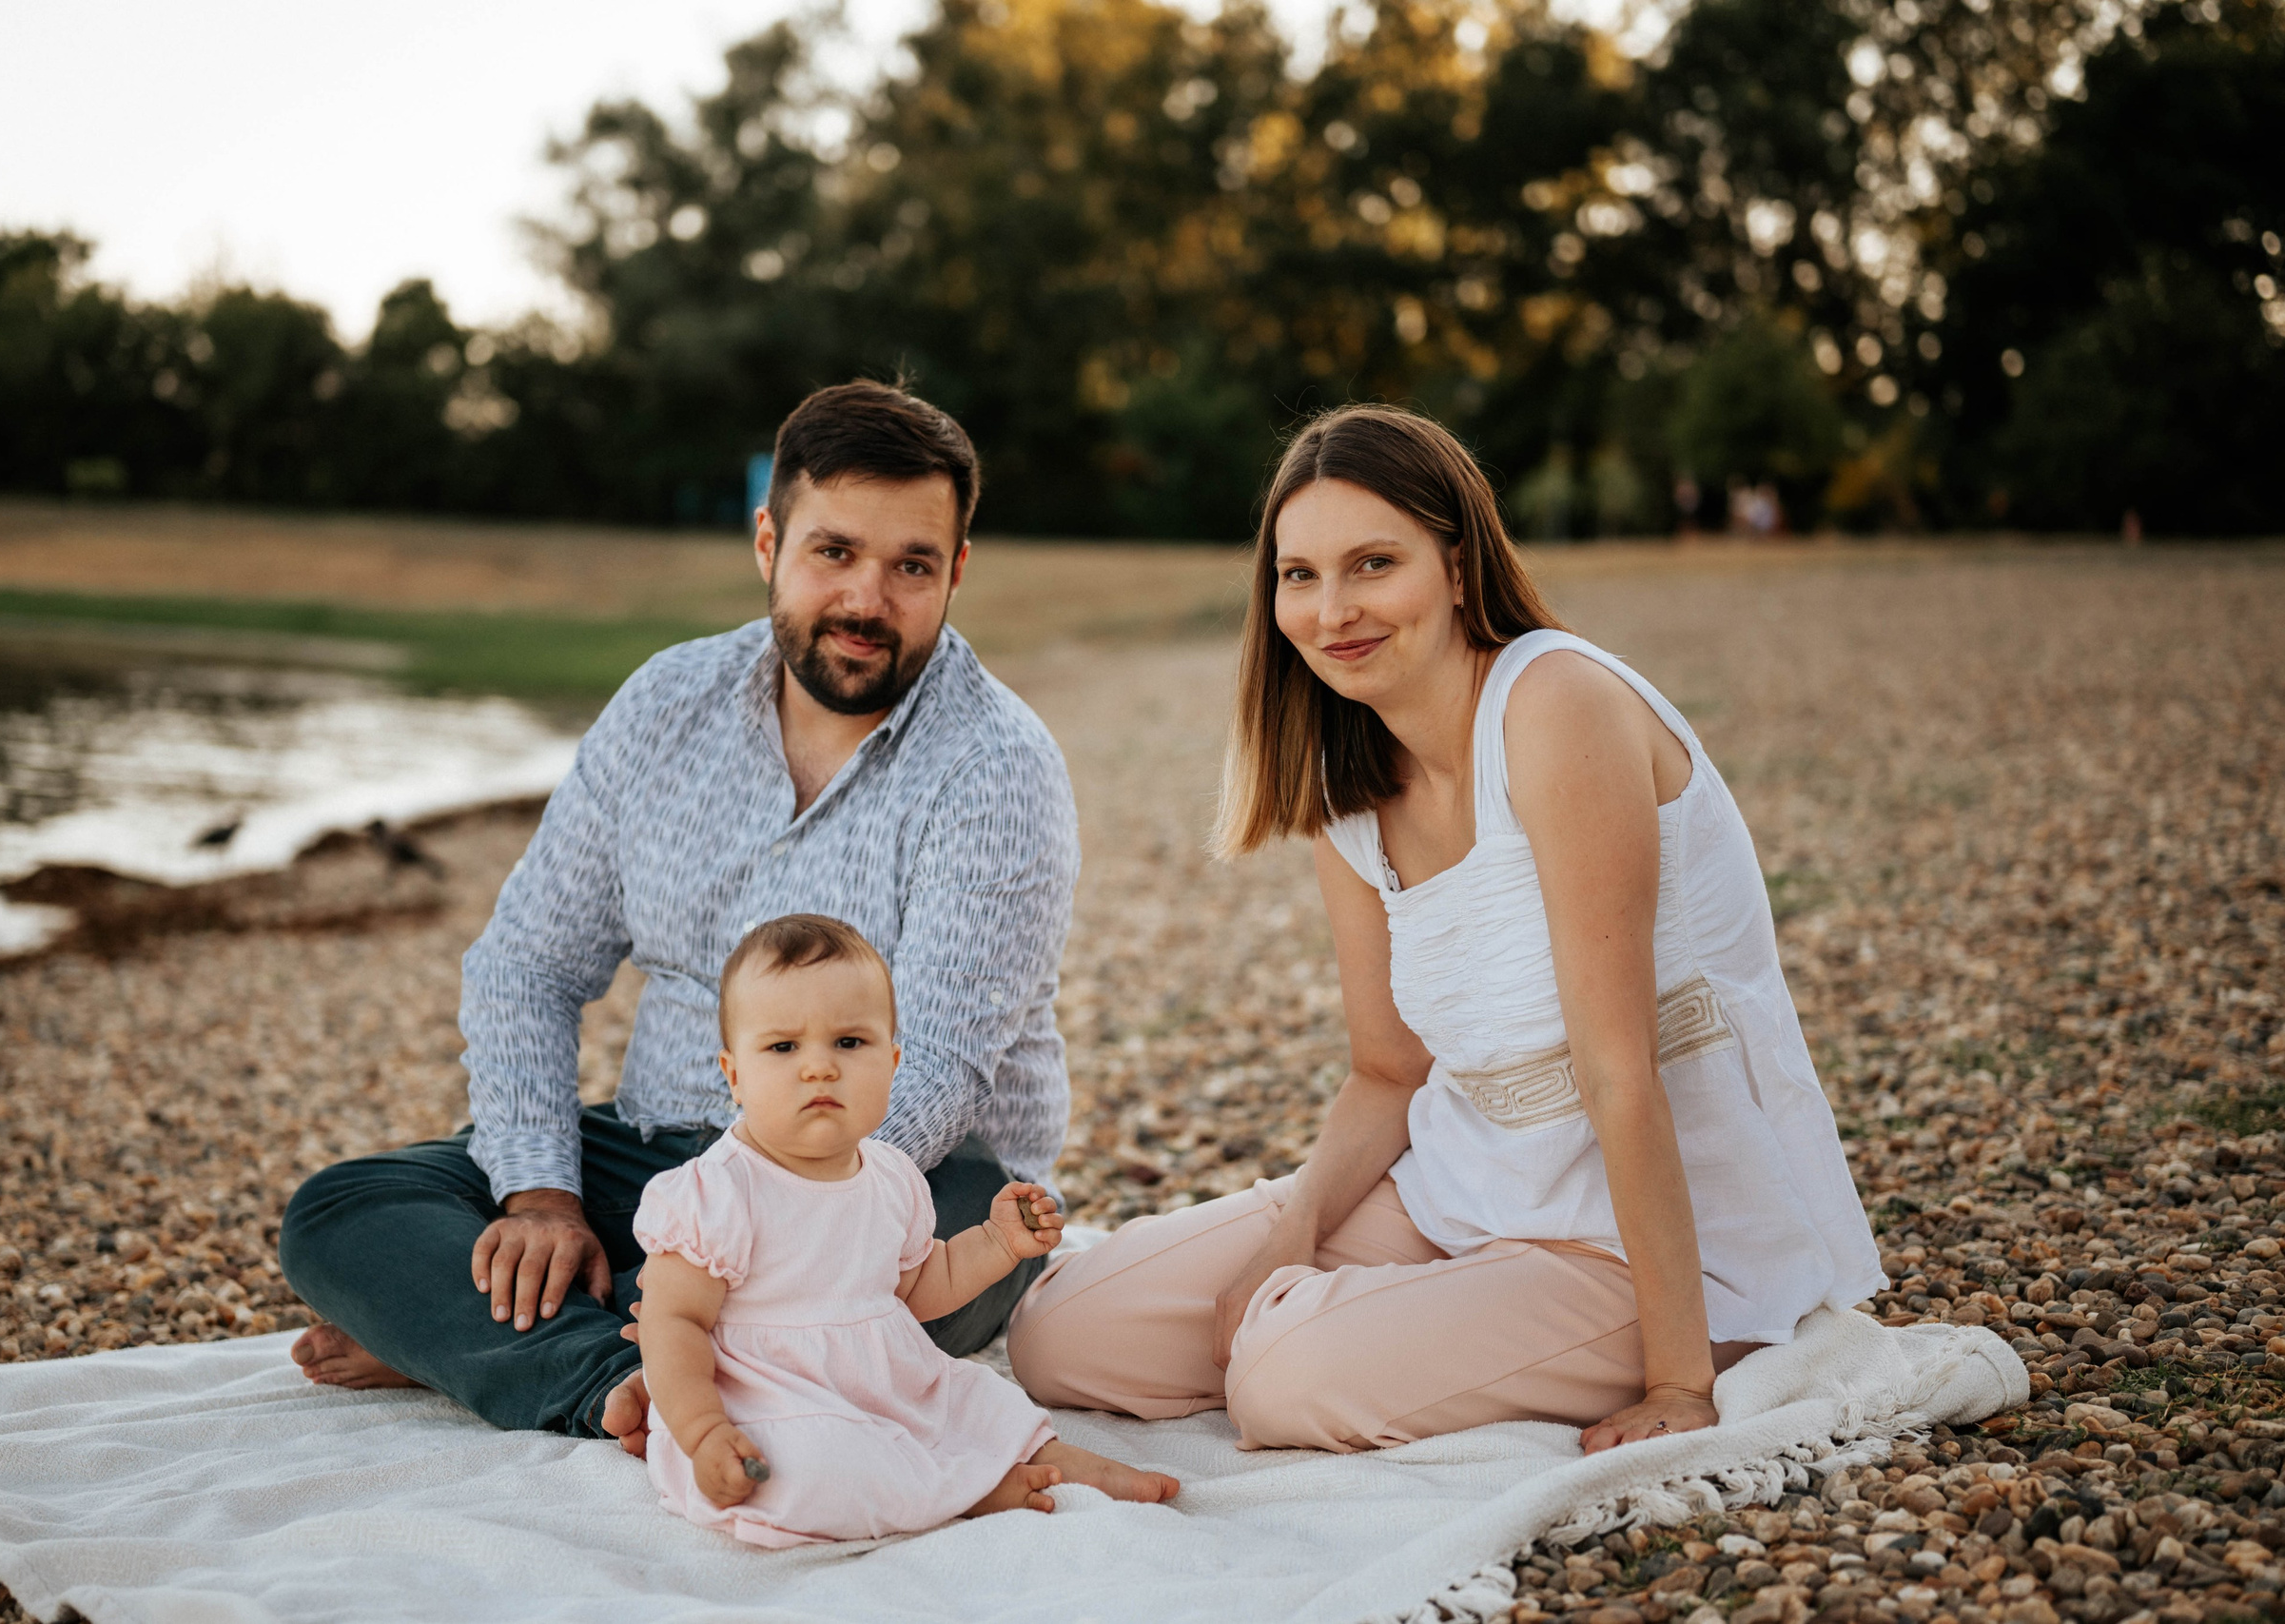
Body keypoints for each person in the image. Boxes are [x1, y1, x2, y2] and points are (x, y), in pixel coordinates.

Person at [1007, 404, 1884, 1455]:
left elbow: (1621, 1069)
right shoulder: (1348, 786)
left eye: (1373, 564)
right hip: (1460, 1193)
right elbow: (1386, 1071)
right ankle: (1421, 1320)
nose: (1333, 611)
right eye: (1299, 576)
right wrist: (1288, 1234)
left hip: (1644, 1240)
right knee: (1064, 1334)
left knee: (1284, 1379)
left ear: (1458, 567)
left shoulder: (1555, 705)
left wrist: (1677, 1384)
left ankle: (1588, 1337)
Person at [277, 381, 1082, 1440]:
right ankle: (614, 1359)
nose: (867, 602)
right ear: (768, 541)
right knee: (340, 1213)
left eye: (912, 566)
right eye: (833, 553)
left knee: (942, 1276)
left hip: (890, 1188)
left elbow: (928, 1075)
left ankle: (506, 1341)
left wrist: (721, 1225)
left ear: (955, 572)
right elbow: (527, 963)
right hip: (650, 1148)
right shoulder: (665, 702)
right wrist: (543, 1202)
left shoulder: (998, 768)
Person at [626, 914, 1177, 1545]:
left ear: (892, 1062)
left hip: (885, 1378)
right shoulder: (716, 1191)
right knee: (808, 1469)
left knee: (978, 1400)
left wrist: (997, 1244)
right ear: (733, 1073)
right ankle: (964, 1491)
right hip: (770, 1396)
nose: (819, 1068)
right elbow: (673, 1323)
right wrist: (701, 1430)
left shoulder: (890, 1174)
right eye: (783, 1047)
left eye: (849, 1043)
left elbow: (920, 1283)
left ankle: (1055, 1460)